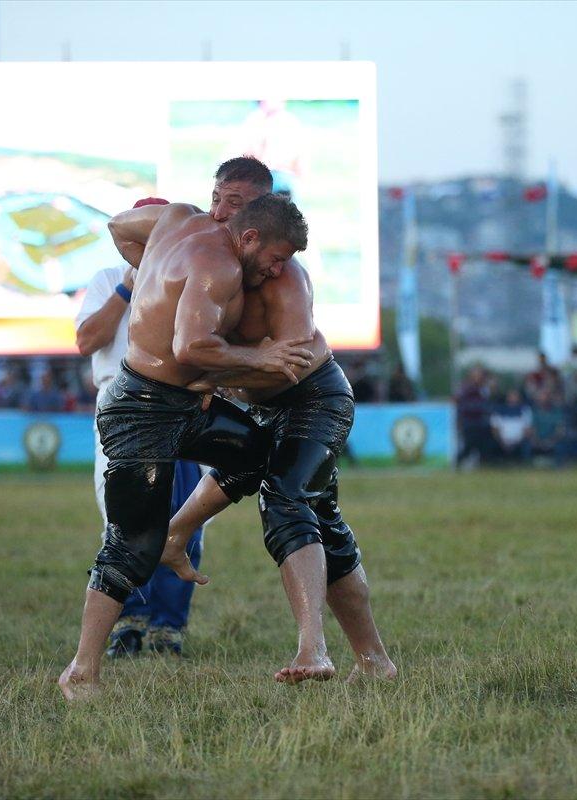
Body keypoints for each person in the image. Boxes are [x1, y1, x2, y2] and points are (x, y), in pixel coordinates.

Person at [110, 158, 394, 686]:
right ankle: (375, 661)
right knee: (322, 522)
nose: (220, 212)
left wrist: (209, 377)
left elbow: (286, 366)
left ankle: (313, 649)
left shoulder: (283, 280)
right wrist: (152, 272)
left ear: (258, 219)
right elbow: (120, 226)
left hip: (313, 400)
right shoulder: (196, 244)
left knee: (286, 498)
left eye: (235, 205)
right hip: (258, 403)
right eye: (217, 199)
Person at [58, 192, 315, 700]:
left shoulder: (175, 219)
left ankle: (178, 533)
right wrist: (261, 358)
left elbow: (119, 225)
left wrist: (154, 270)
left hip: (188, 404)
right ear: (249, 237)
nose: (277, 271)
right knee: (132, 544)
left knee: (260, 453)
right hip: (141, 409)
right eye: (275, 259)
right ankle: (81, 669)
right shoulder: (218, 265)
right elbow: (190, 346)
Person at [75, 207, 206, 658]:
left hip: (179, 402)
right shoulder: (108, 278)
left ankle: (168, 627)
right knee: (123, 516)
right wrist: (126, 288)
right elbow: (87, 340)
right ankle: (127, 623)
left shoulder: (188, 278)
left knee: (184, 515)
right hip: (122, 405)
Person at [490, 389, 533, 463]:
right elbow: (494, 429)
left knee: (527, 444)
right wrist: (501, 442)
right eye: (511, 396)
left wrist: (517, 442)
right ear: (507, 397)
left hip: (519, 442)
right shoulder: (498, 410)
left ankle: (523, 462)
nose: (513, 398)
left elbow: (528, 429)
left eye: (515, 396)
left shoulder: (525, 410)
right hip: (501, 442)